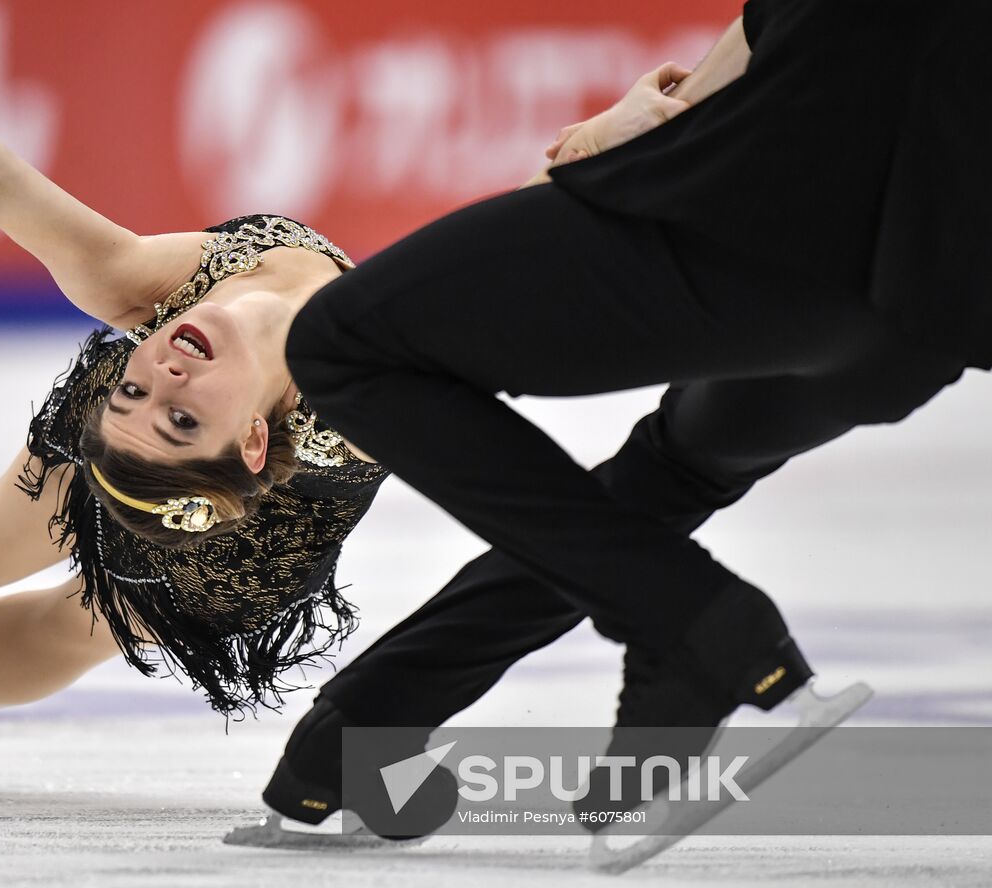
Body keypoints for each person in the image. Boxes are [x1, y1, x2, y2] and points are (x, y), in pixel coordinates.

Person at [0, 25, 686, 783]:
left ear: (254, 435)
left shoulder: (229, 333)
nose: (162, 373)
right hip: (197, 457)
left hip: (262, 527)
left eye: (152, 394)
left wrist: (607, 138)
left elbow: (2, 187)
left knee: (89, 623)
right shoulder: (259, 334)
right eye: (158, 396)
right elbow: (1, 189)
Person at [243, 0, 991, 842]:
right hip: (933, 306)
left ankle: (708, 629)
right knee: (676, 471)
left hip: (792, 201)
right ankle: (359, 732)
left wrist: (655, 123)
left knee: (346, 346)